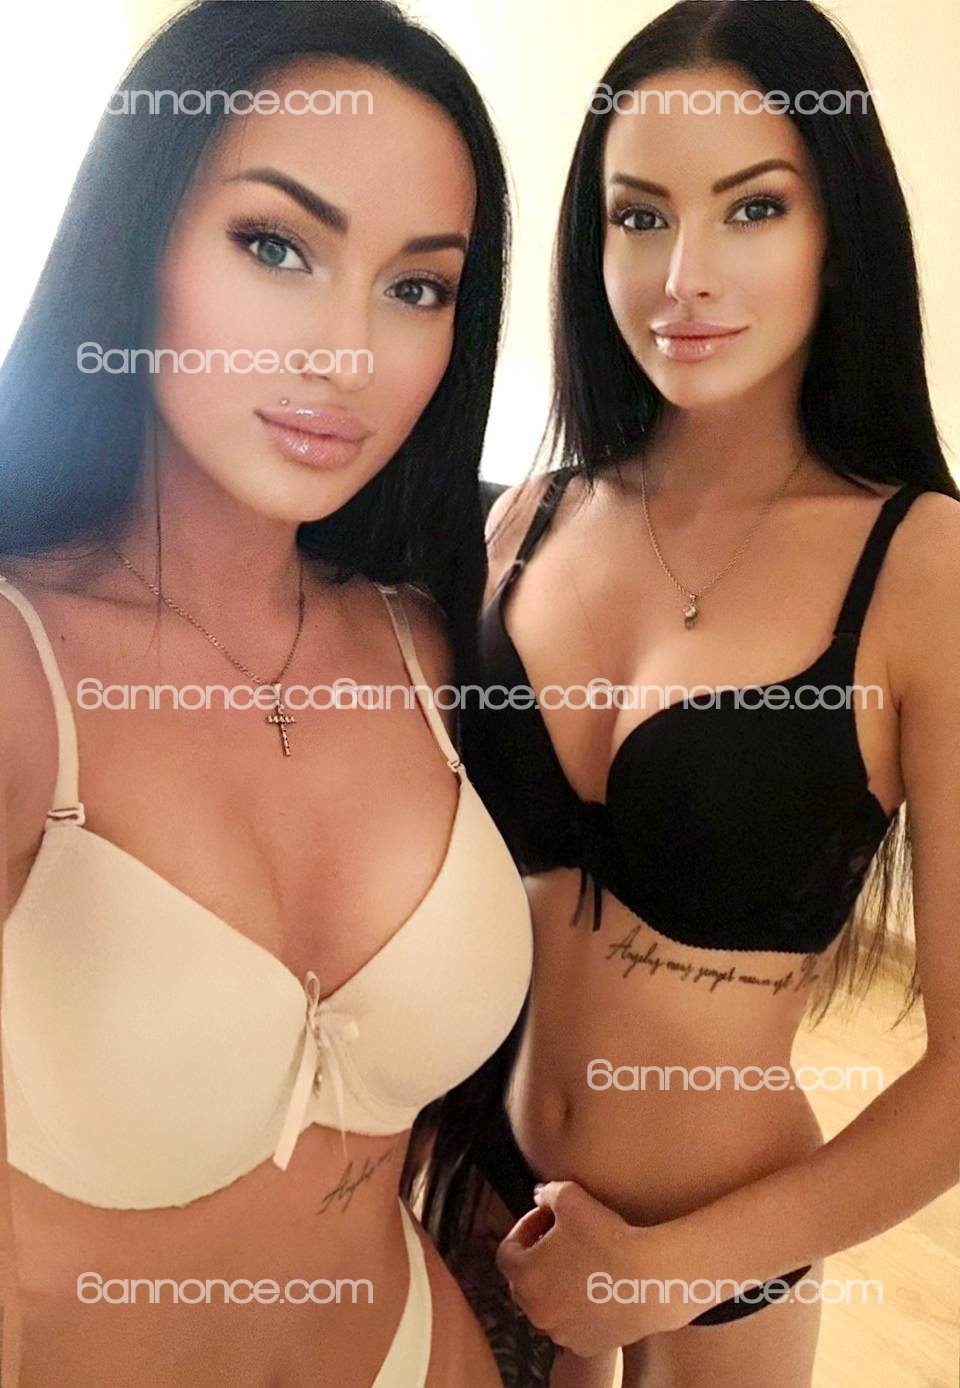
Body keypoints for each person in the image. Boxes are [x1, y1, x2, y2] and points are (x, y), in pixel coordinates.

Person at [414, 3, 960, 1385]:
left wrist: (664, 1271)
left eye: (753, 208)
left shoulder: (923, 571)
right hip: (480, 1199)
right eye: (640, 216)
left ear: (840, 229)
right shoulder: (527, 522)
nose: (683, 276)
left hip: (721, 1258)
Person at [0, 2, 533, 1384]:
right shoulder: (20, 677)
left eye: (418, 288)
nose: (347, 356)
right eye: (277, 246)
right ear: (141, 243)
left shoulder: (428, 642)